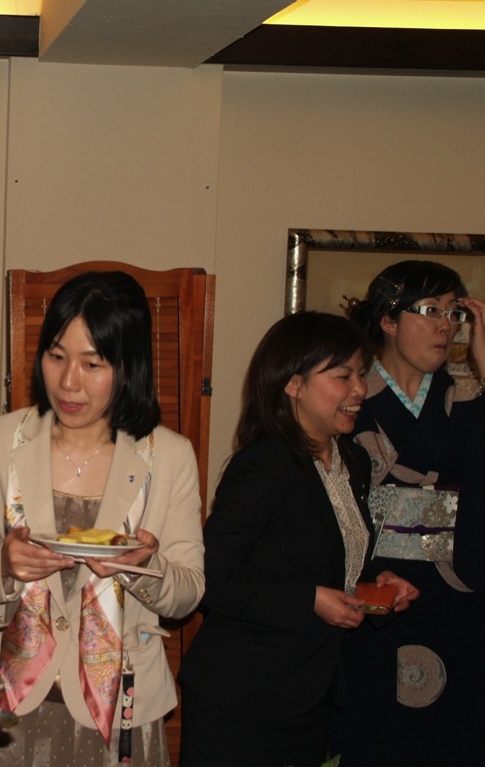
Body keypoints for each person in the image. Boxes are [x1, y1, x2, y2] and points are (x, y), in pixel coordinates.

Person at [0, 271, 205, 766]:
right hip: (2, 701)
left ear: (129, 366)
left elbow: (189, 591)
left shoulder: (168, 457)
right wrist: (2, 562)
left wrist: (142, 566)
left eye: (92, 364)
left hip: (117, 710)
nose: (67, 381)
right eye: (56, 356)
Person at [179, 311, 418, 767]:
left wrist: (378, 586)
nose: (359, 389)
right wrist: (310, 600)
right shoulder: (263, 465)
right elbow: (213, 578)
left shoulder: (352, 461)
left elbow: (332, 556)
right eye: (343, 376)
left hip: (312, 692)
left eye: (361, 374)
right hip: (244, 696)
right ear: (293, 384)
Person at [332, 261, 485, 764]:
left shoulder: (468, 398)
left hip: (458, 599)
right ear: (388, 320)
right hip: (380, 592)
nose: (446, 326)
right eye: (430, 310)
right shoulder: (351, 399)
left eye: (454, 313)